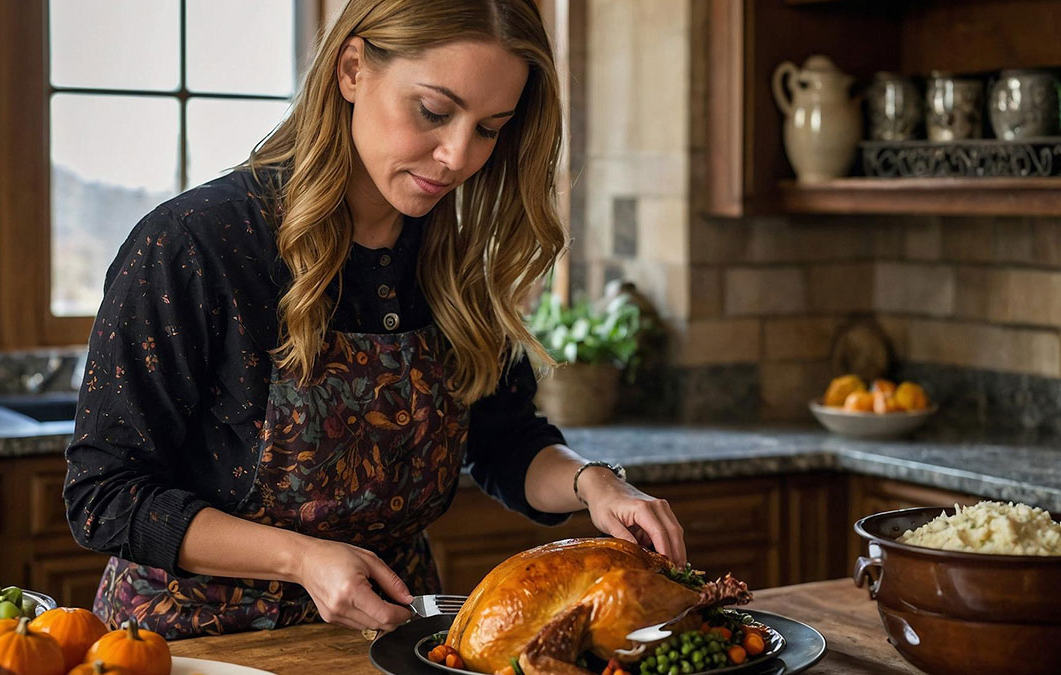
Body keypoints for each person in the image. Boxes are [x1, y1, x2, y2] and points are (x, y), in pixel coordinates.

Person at [63, 0, 686, 641]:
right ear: (352, 68)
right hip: (200, 648)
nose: (457, 156)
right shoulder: (197, 245)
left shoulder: (454, 258)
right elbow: (104, 496)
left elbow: (506, 442)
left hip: (394, 639)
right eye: (434, 112)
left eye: (490, 128)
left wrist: (593, 484)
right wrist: (301, 559)